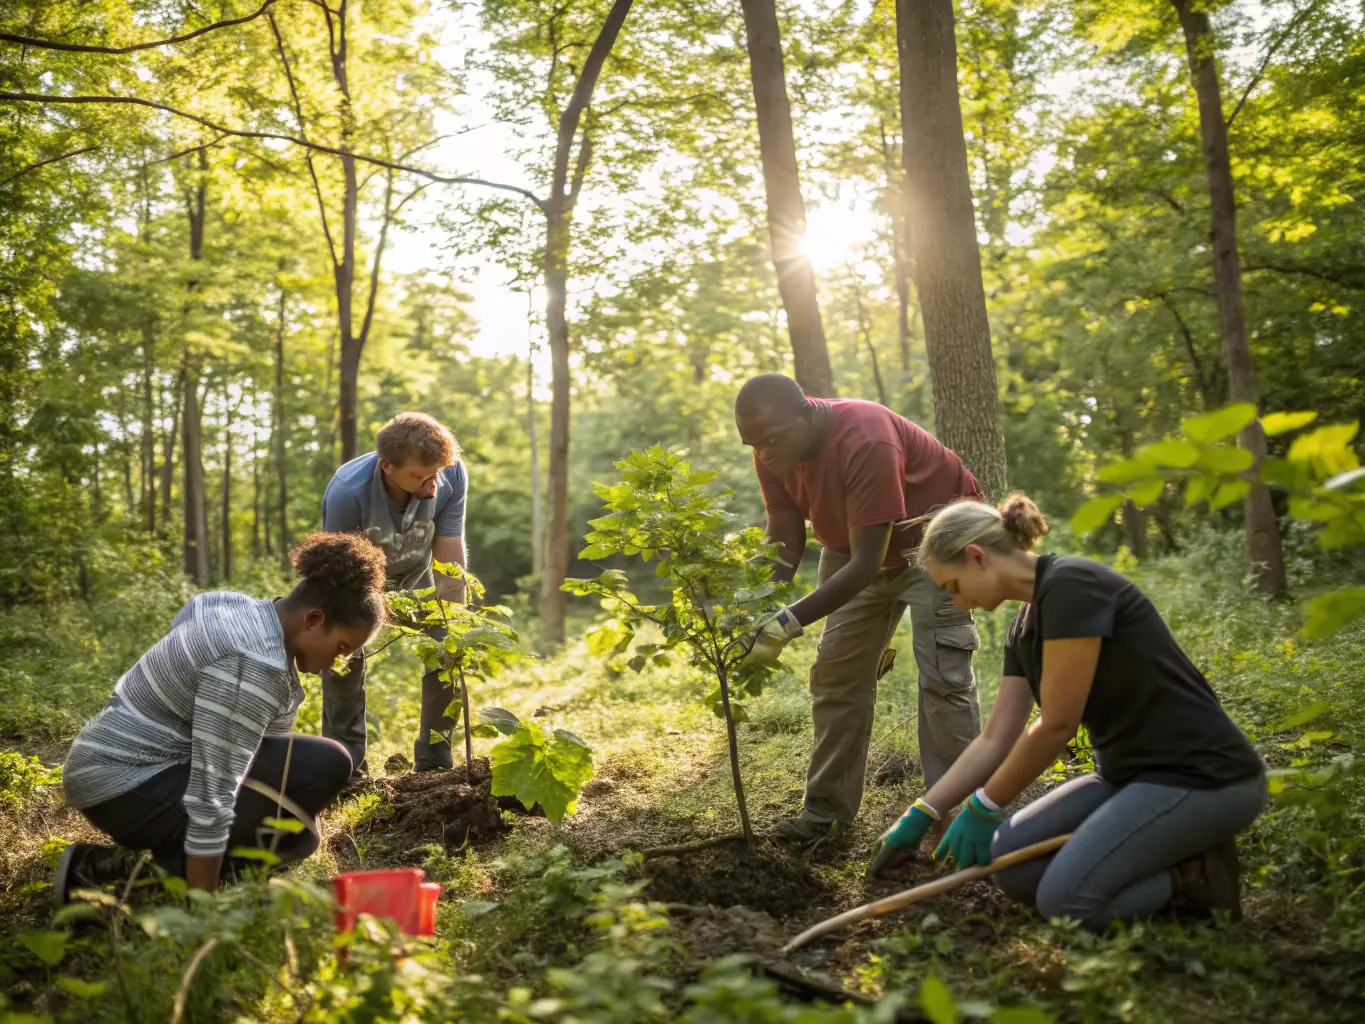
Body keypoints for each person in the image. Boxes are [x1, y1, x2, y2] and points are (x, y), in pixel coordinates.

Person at [867, 495, 1267, 927]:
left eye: (953, 586)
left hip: (1203, 778)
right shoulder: (1024, 626)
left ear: (976, 556)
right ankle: (1143, 859)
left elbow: (1058, 723)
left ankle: (1196, 878)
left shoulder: (1072, 586)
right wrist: (923, 811)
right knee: (1010, 866)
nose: (957, 602)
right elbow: (995, 737)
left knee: (1067, 904)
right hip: (1125, 777)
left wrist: (985, 805)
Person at [57, 533, 387, 902]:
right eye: (340, 647)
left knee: (319, 772)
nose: (336, 663)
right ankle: (107, 875)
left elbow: (193, 610)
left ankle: (169, 868)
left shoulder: (232, 605)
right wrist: (205, 912)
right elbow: (211, 797)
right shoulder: (253, 666)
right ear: (313, 619)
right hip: (121, 784)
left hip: (126, 764)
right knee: (291, 833)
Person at [735, 373, 986, 841]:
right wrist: (751, 610)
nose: (765, 453)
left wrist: (784, 625)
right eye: (753, 444)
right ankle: (825, 817)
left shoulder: (865, 437)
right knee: (836, 676)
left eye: (770, 440)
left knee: (942, 678)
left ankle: (957, 817)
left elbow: (868, 563)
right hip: (855, 544)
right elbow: (786, 538)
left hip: (935, 539)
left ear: (805, 411)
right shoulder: (771, 448)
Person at [321, 412, 468, 774]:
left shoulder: (450, 473)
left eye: (435, 474)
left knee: (446, 646)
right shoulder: (347, 491)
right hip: (357, 583)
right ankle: (346, 768)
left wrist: (456, 624)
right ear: (387, 466)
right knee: (342, 657)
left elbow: (449, 553)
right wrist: (351, 630)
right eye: (419, 477)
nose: (432, 485)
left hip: (416, 581)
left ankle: (434, 763)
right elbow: (342, 575)